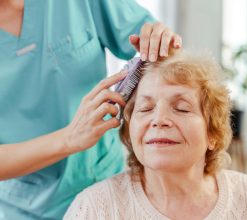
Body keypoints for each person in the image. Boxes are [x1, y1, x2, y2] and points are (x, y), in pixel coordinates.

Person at [0, 0, 182, 219]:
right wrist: (69, 138)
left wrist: (160, 42)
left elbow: (162, 54)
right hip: (33, 208)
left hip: (110, 184)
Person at [64, 49, 247, 219]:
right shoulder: (94, 209)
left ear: (212, 133)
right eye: (145, 108)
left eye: (182, 108)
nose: (159, 120)